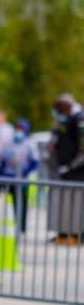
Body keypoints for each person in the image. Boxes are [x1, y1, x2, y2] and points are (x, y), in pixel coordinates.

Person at [47, 94, 84, 244]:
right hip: (65, 172)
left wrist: (69, 168)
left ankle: (77, 234)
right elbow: (57, 137)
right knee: (65, 205)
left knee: (77, 205)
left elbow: (82, 150)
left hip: (77, 173)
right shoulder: (65, 120)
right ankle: (64, 232)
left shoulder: (79, 120)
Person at [0, 119, 39, 234]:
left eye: (21, 129)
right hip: (9, 177)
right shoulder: (8, 143)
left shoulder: (29, 144)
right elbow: (2, 161)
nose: (19, 131)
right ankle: (9, 226)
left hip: (22, 179)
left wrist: (26, 170)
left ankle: (21, 228)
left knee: (22, 204)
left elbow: (35, 162)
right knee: (9, 204)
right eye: (17, 128)